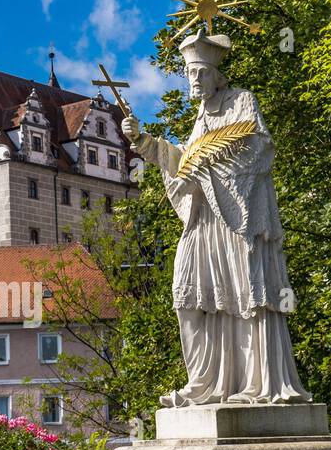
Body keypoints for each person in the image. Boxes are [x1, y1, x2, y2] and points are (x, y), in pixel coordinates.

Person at [121, 30, 311, 405]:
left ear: (216, 74)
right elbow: (184, 166)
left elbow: (258, 150)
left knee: (246, 295)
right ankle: (203, 382)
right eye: (190, 74)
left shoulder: (242, 102)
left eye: (201, 73)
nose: (195, 80)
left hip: (238, 220)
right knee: (187, 296)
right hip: (203, 220)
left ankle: (254, 384)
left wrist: (209, 173)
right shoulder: (201, 117)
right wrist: (143, 141)